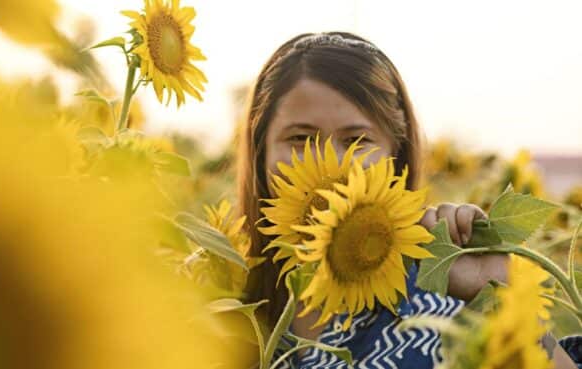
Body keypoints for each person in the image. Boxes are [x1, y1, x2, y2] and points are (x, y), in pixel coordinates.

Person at [237, 31, 578, 368]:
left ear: (395, 154)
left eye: (356, 140)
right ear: (260, 152)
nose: (331, 163)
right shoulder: (218, 296)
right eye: (300, 138)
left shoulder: (446, 313)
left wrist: (501, 298)